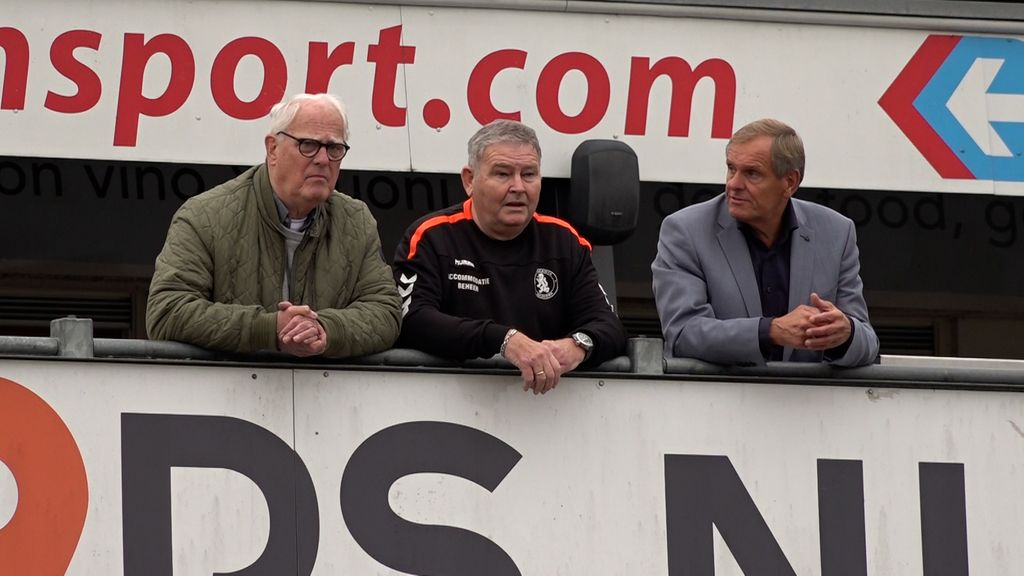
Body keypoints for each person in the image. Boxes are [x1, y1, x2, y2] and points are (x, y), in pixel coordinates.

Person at [146, 93, 401, 358]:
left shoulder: (356, 221)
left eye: (334, 148)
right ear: (273, 149)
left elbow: (387, 313)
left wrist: (325, 329)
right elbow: (167, 311)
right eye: (308, 145)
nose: (323, 160)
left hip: (328, 394)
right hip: (226, 394)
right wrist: (270, 329)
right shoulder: (203, 216)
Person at [392, 120, 627, 393]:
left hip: (546, 415)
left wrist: (576, 346)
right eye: (503, 174)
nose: (518, 187)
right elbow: (412, 321)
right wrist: (505, 340)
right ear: (470, 180)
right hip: (444, 409)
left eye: (529, 174)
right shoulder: (431, 236)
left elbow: (610, 326)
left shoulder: (564, 241)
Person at [652, 118, 879, 366]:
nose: (733, 184)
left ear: (790, 182)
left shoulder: (837, 232)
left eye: (752, 173)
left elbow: (867, 343)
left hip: (809, 403)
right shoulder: (685, 231)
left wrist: (844, 335)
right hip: (720, 401)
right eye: (731, 168)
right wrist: (771, 331)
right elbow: (684, 335)